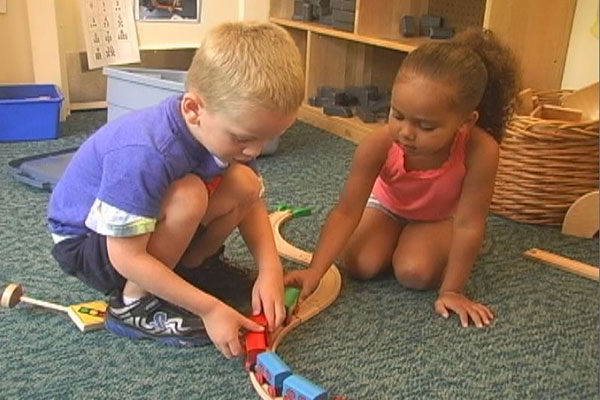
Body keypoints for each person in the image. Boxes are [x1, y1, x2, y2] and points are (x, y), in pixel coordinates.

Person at [47, 21, 305, 357]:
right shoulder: (145, 152)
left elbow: (251, 200)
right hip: (90, 244)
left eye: (267, 138)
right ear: (193, 109)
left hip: (142, 228)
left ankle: (196, 268)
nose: (255, 150)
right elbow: (124, 256)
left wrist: (271, 270)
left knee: (245, 181)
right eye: (243, 138)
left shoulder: (220, 133)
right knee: (189, 196)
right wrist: (209, 309)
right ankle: (133, 304)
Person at [285, 29, 520, 328]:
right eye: (397, 115)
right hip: (388, 206)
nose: (406, 133)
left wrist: (452, 290)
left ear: (466, 122)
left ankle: (418, 244)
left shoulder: (482, 149)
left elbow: (469, 223)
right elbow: (347, 211)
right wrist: (314, 272)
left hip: (440, 218)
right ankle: (398, 238)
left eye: (426, 126)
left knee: (415, 271)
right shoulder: (378, 145)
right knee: (360, 263)